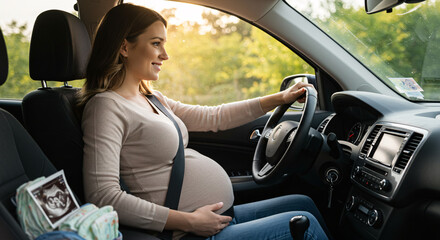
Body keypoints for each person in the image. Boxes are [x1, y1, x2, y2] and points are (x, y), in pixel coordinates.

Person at [79, 3, 330, 240]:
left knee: (302, 203)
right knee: (304, 223)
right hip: (190, 232)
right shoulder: (105, 107)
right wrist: (189, 222)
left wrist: (279, 98)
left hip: (214, 220)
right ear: (124, 47)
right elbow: (104, 196)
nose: (165, 55)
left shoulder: (151, 98)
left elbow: (214, 116)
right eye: (156, 44)